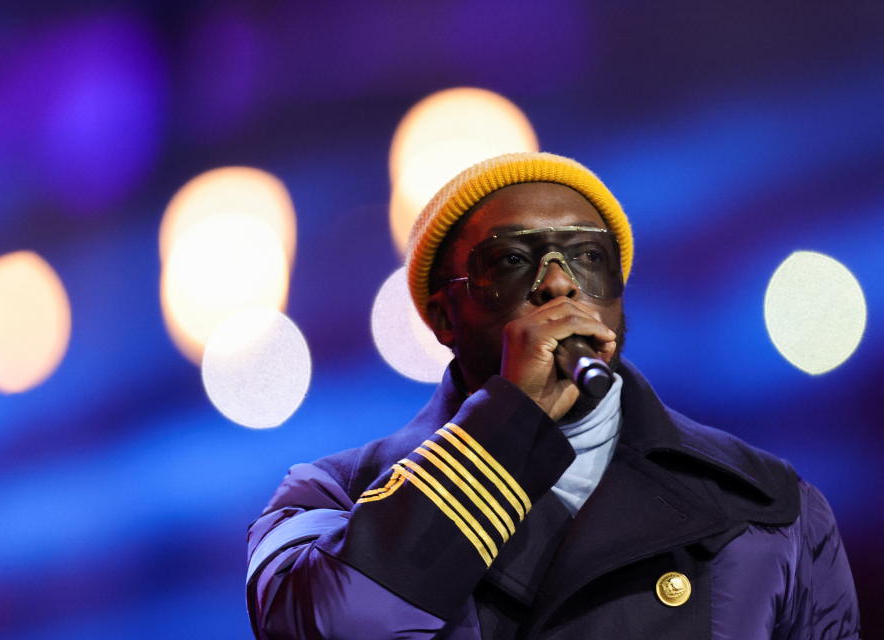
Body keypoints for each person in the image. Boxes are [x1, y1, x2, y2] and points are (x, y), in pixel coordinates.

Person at [245, 152, 861, 638]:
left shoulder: (771, 503)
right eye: (513, 259)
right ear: (441, 316)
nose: (559, 283)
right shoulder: (328, 497)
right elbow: (340, 623)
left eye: (588, 256)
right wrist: (513, 420)